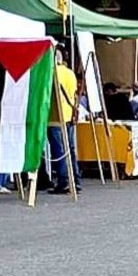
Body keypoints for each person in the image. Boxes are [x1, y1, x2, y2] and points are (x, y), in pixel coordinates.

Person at [47, 49, 82, 194]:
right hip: (69, 115)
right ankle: (75, 179)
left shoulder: (52, 73)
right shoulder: (70, 73)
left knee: (59, 151)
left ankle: (64, 181)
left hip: (55, 117)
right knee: (70, 150)